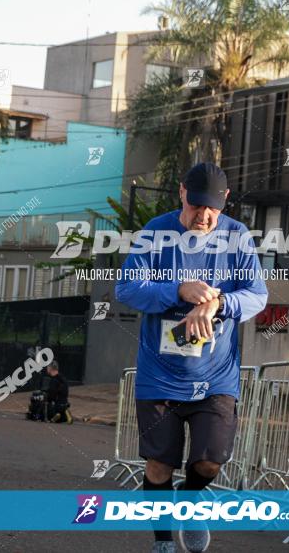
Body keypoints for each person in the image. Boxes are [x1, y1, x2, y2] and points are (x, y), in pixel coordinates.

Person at [115, 162, 268, 553]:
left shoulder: (237, 237)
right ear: (181, 192)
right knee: (158, 464)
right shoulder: (156, 232)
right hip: (159, 375)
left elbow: (257, 296)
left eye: (211, 209)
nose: (203, 216)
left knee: (210, 461)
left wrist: (217, 302)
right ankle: (163, 541)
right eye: (195, 206)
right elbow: (128, 289)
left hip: (216, 376)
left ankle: (192, 497)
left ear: (225, 201)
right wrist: (178, 290)